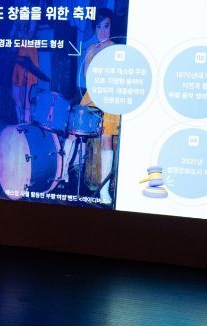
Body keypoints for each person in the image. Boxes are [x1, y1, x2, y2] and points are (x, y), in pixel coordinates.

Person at [79, 8, 119, 205]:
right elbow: (87, 77)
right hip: (91, 95)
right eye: (98, 27)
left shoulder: (116, 49)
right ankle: (64, 174)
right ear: (94, 29)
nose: (103, 31)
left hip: (110, 96)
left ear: (111, 26)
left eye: (106, 26)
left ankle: (104, 190)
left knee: (106, 139)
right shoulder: (91, 49)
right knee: (74, 129)